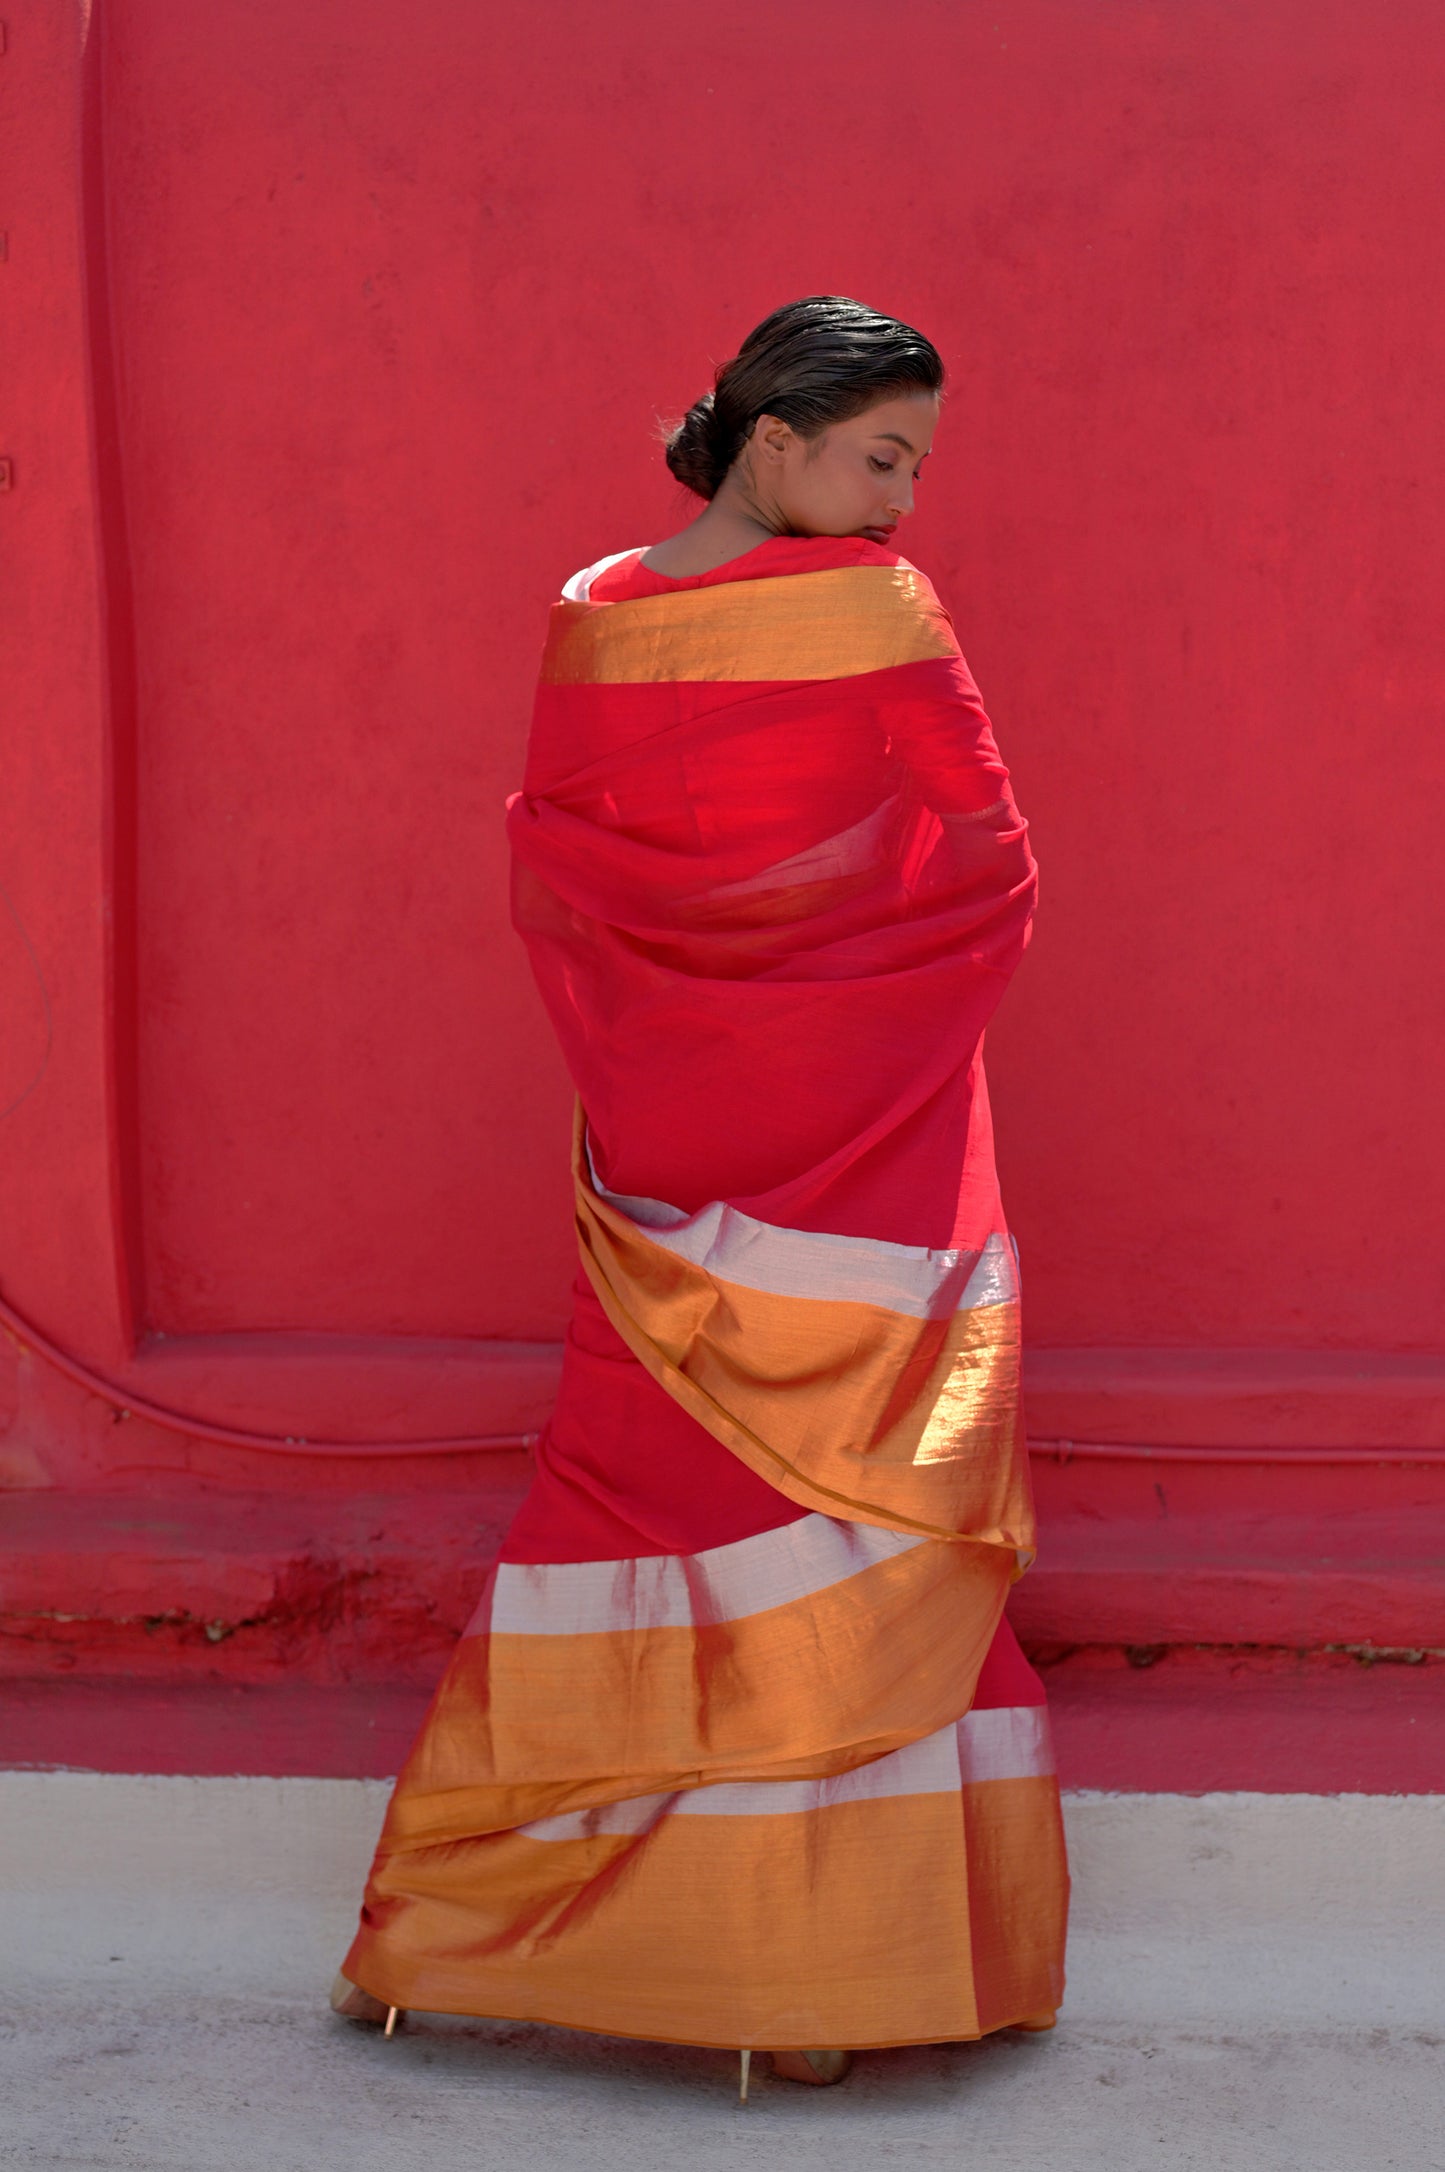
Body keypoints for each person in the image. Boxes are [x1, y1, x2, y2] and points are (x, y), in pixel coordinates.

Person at [331, 295, 1068, 2096]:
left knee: (630, 1501)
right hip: (859, 1120)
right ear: (774, 436)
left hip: (662, 1126)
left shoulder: (600, 614)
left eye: (913, 464)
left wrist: (708, 1015)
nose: (900, 496)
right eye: (881, 452)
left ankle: (446, 1937)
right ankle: (808, 1979)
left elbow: (572, 881)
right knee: (854, 1509)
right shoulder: (870, 613)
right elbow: (982, 859)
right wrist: (842, 999)